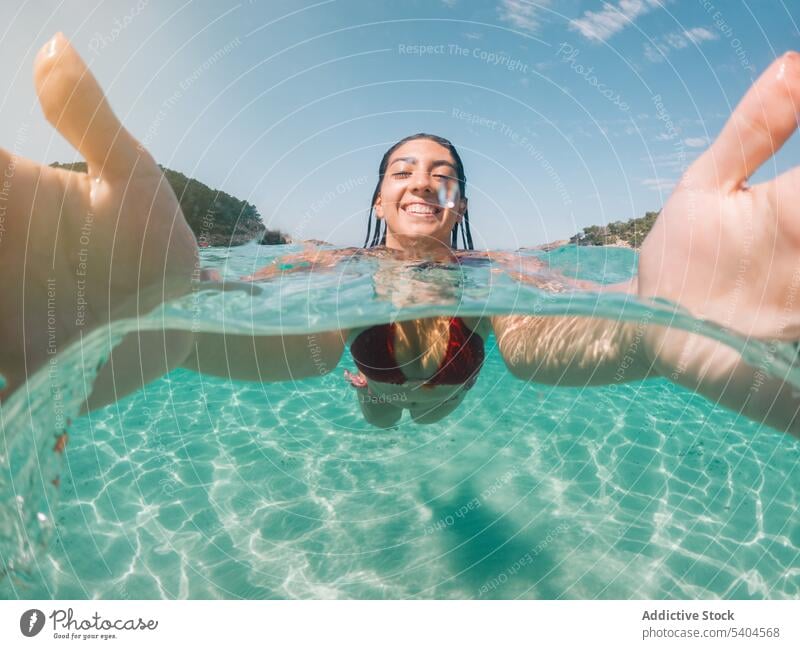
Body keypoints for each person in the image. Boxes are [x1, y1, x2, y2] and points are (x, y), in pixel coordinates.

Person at [1, 34, 798, 437]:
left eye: (441, 172)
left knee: (431, 412)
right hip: (377, 375)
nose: (423, 179)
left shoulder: (495, 267)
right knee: (384, 414)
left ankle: (403, 396)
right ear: (380, 200)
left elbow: (566, 312)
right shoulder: (336, 263)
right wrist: (165, 307)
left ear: (457, 202)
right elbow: (254, 303)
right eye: (404, 170)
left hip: (451, 382)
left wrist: (656, 318)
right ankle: (376, 395)